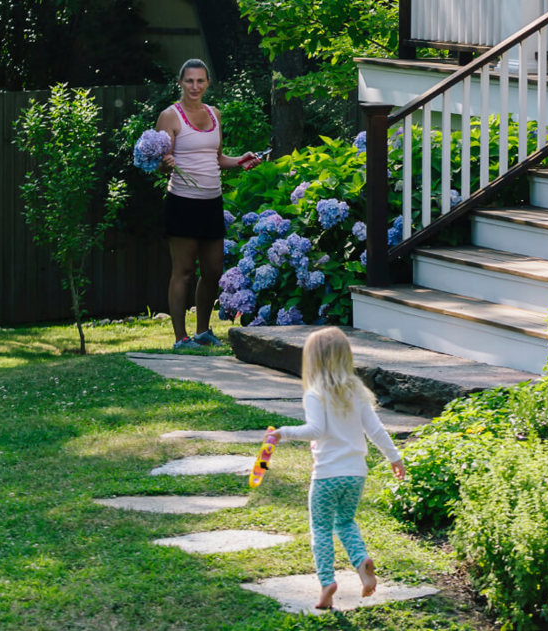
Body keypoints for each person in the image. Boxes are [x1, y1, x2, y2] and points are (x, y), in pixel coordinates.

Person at [270, 327, 406, 609]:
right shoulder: (357, 391)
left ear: (313, 361)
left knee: (320, 528)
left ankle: (326, 583)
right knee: (345, 522)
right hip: (356, 474)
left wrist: (283, 432)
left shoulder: (315, 393)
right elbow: (376, 430)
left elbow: (315, 429)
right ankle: (361, 563)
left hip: (327, 477)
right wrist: (394, 457)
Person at [156, 58, 261, 350]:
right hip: (182, 203)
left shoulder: (214, 113)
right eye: (189, 81)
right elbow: (160, 167)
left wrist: (239, 161)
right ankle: (180, 338)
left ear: (207, 84)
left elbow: (216, 158)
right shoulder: (170, 116)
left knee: (213, 269)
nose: (195, 86)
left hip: (211, 203)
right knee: (184, 270)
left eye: (200, 81)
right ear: (180, 83)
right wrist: (166, 163)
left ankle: (203, 331)